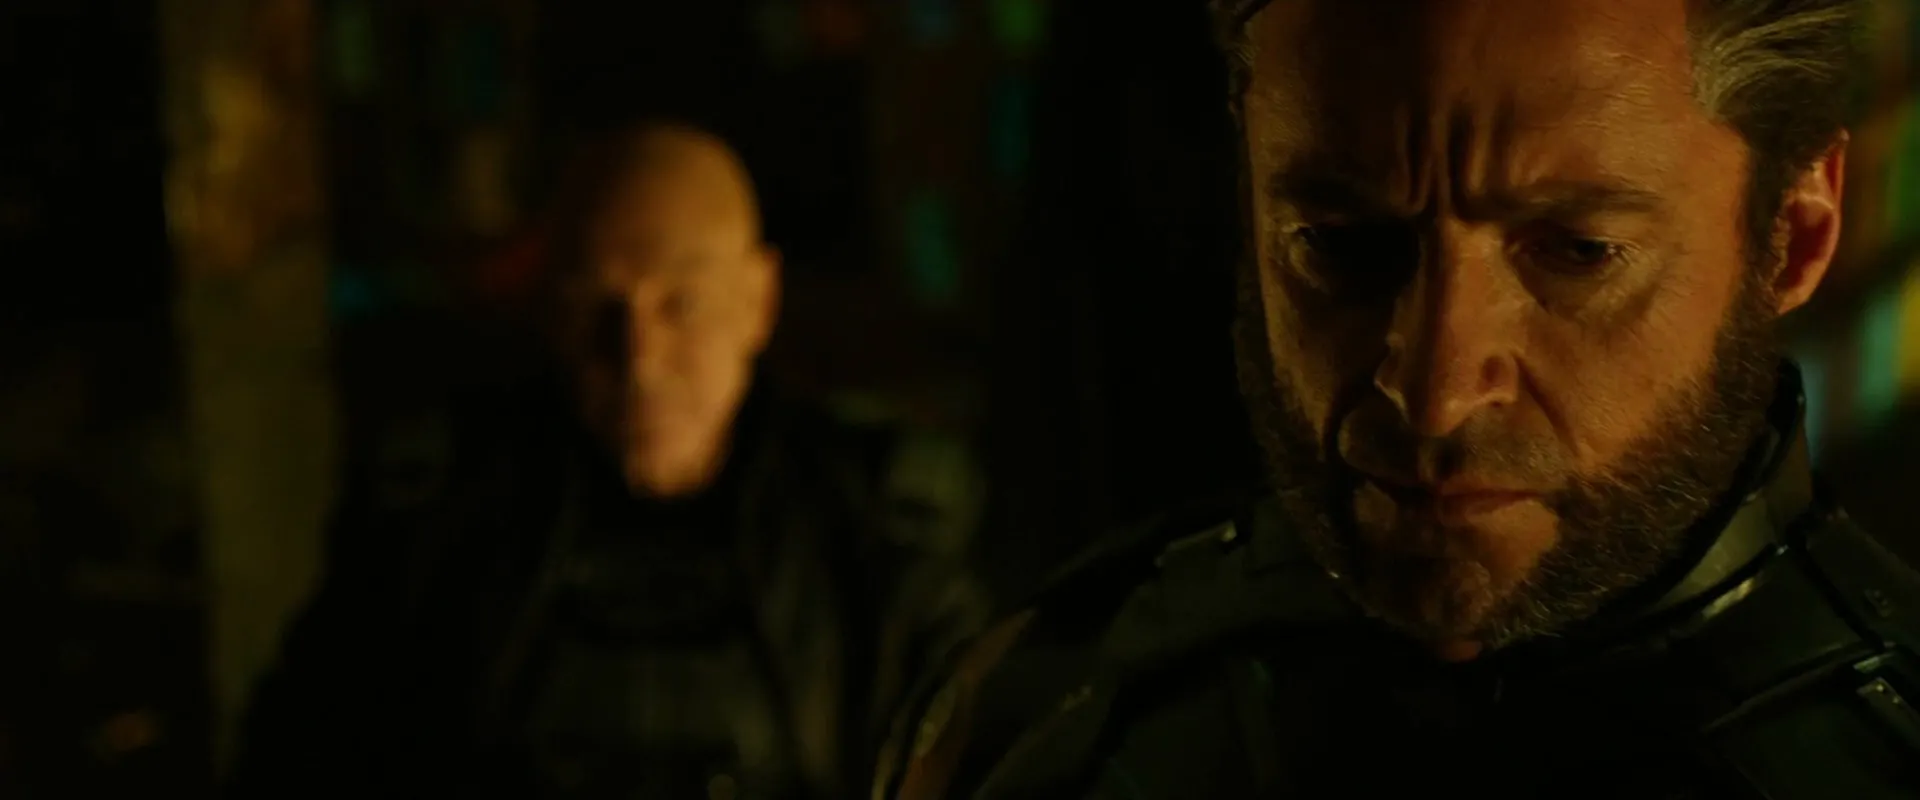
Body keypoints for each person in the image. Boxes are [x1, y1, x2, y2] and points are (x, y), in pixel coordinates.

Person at [873, 1, 1920, 798]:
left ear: (1795, 235)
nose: (1431, 392)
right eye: (1340, 244)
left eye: (1578, 251)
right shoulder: (1046, 706)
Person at [228, 122, 989, 800]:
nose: (639, 358)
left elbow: (984, 752)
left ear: (757, 300)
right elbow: (300, 757)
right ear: (551, 310)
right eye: (598, 306)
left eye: (681, 305)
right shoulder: (436, 517)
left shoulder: (877, 526)